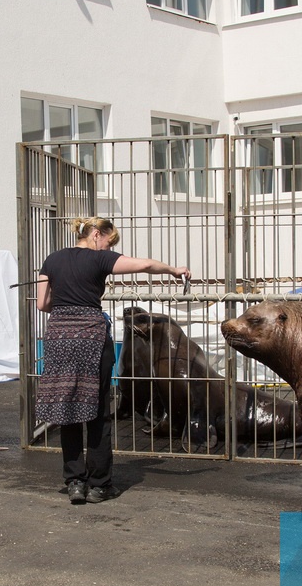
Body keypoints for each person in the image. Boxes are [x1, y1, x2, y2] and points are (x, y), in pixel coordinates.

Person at [36, 216, 191, 504]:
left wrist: (67, 299)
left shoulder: (52, 259)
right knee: (97, 411)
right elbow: (143, 265)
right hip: (92, 339)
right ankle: (99, 485)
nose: (110, 246)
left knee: (67, 408)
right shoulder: (99, 259)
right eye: (110, 240)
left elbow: (43, 303)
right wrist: (172, 270)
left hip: (59, 339)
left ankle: (74, 483)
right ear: (96, 234)